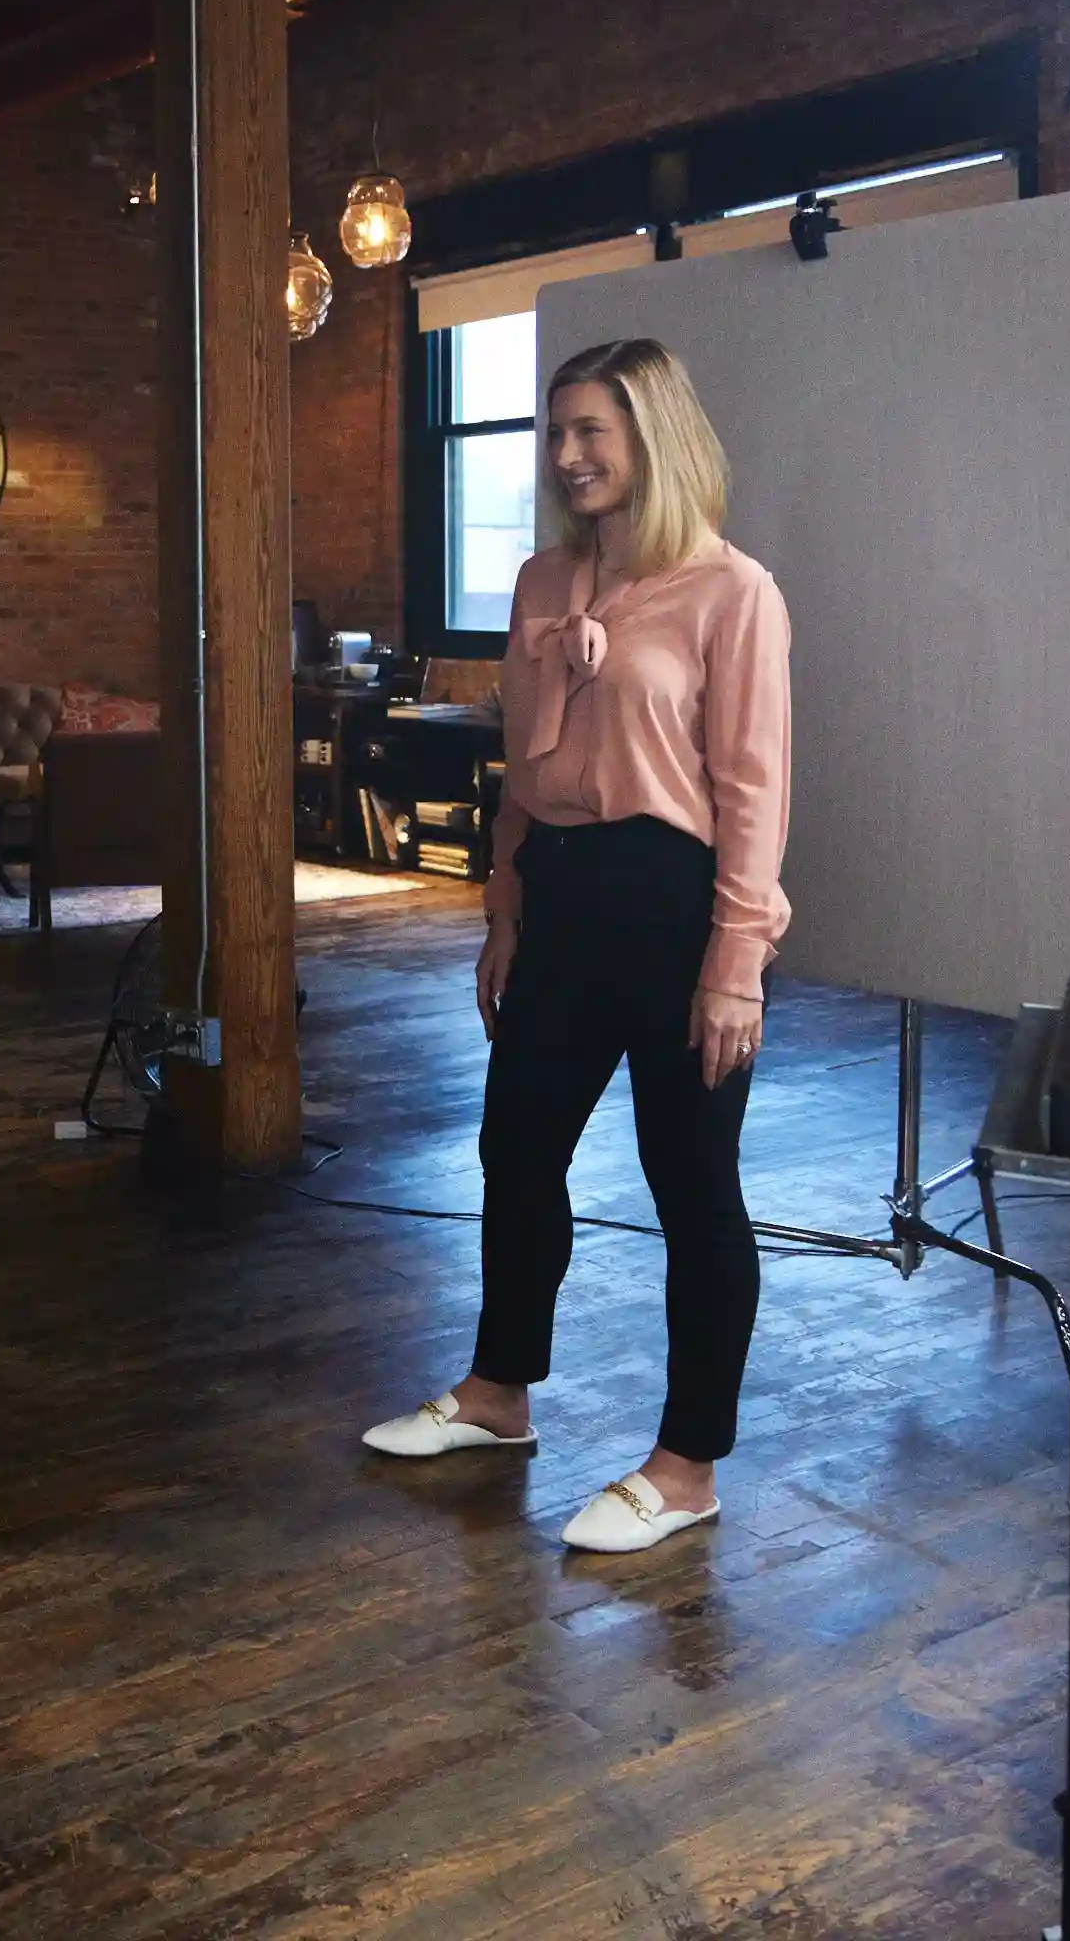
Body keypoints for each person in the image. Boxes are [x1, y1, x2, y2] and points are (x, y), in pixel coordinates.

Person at [361, 338, 791, 1556]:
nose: (565, 455)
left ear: (650, 436)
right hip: (556, 891)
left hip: (671, 901)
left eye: (590, 431)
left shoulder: (728, 591)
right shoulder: (542, 579)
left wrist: (733, 963)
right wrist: (501, 908)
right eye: (554, 433)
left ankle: (686, 1463)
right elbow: (520, 767)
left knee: (690, 1186)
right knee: (514, 1144)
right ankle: (499, 1394)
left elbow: (752, 793)